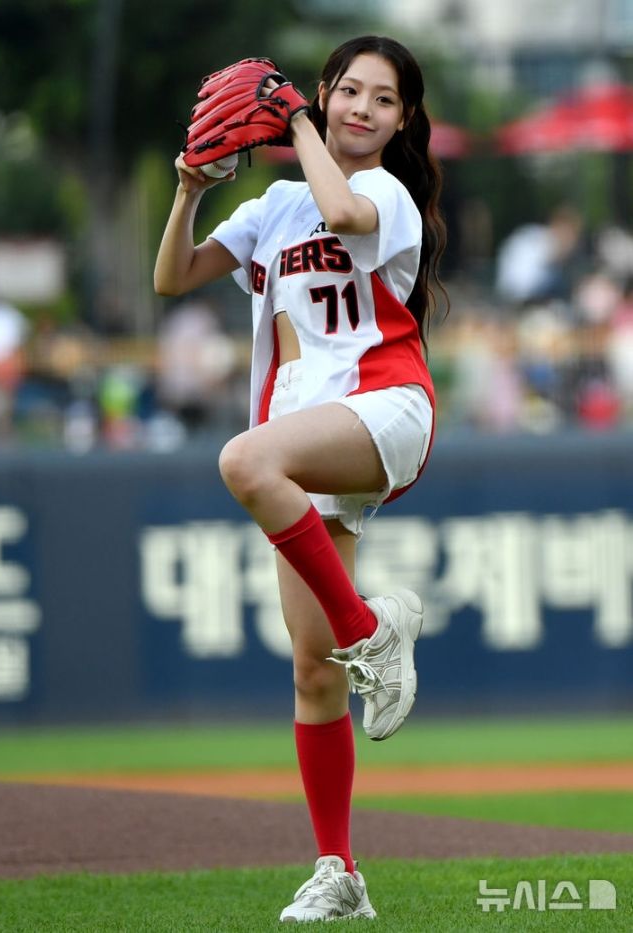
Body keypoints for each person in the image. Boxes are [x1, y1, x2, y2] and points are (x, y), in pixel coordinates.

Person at [155, 35, 447, 923]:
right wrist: (190, 190)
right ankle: (340, 871)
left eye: (382, 100)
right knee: (313, 676)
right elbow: (173, 279)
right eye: (347, 90)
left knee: (242, 457)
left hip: (385, 407)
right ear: (326, 91)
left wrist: (295, 121)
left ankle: (371, 632)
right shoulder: (278, 204)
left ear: (400, 122)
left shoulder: (382, 191)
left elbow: (347, 216)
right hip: (306, 434)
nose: (361, 108)